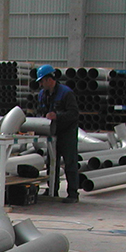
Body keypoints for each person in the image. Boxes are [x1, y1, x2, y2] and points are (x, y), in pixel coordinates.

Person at [35, 64, 80, 203]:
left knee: (69, 162)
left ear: (49, 79)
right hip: (51, 132)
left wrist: (57, 116)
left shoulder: (66, 93)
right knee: (52, 162)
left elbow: (74, 114)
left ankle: (73, 193)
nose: (41, 84)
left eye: (42, 81)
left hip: (67, 132)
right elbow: (40, 111)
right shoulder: (42, 94)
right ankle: (52, 189)